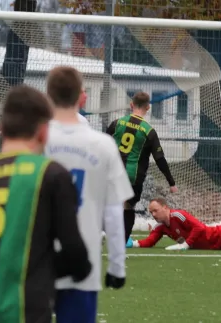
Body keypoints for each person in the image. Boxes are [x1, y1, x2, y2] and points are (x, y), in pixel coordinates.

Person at [0, 85, 92, 323]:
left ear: (1, 129)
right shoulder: (50, 174)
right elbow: (76, 256)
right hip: (22, 310)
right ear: (44, 132)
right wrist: (44, 268)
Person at [44, 66, 134, 323]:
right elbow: (115, 213)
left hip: (39, 262)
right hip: (83, 262)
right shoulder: (103, 145)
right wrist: (117, 266)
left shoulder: (35, 141)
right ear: (81, 98)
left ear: (48, 95)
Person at [106, 92, 178, 242]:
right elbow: (160, 159)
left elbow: (103, 143)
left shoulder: (117, 123)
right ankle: (122, 242)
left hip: (113, 173)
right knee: (128, 207)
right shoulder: (149, 131)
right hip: (133, 176)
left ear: (131, 105)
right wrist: (171, 182)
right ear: (148, 107)